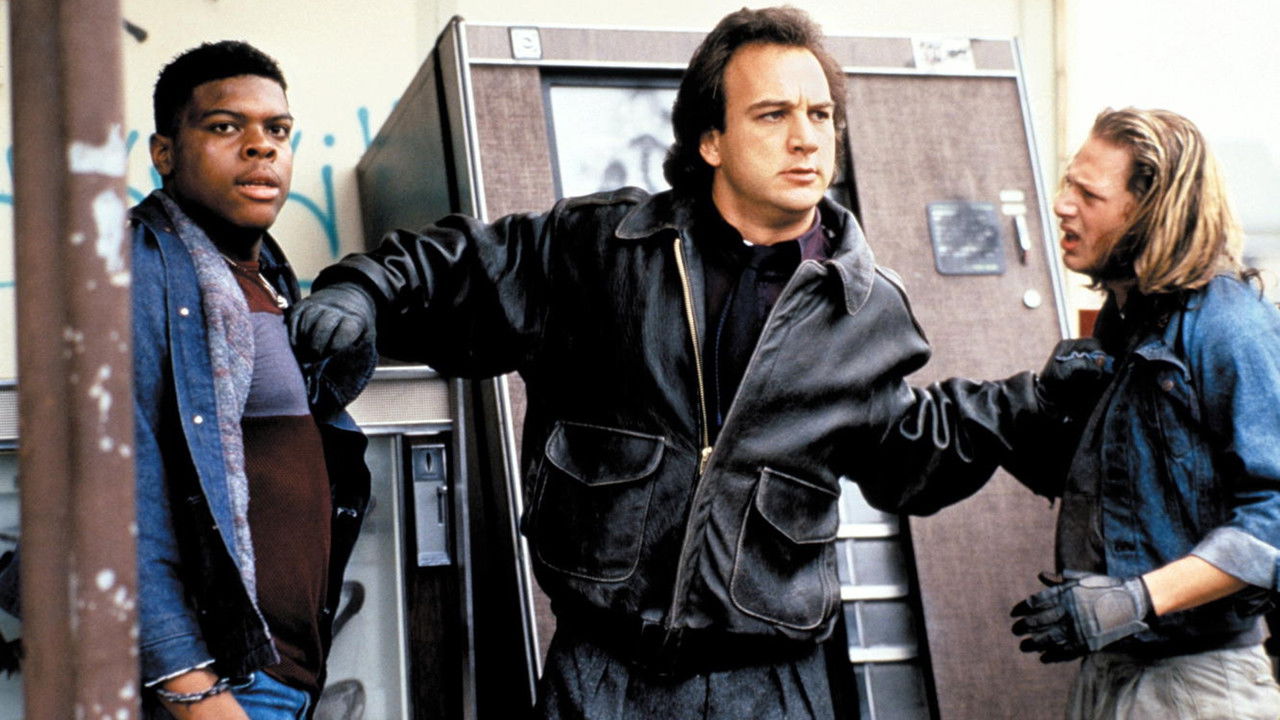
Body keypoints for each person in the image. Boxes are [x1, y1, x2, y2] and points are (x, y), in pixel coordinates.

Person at [290, 7, 1086, 719]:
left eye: (820, 115)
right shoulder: (602, 251)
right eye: (773, 115)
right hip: (601, 676)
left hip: (773, 687)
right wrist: (362, 291)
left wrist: (1033, 402)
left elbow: (903, 451)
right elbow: (461, 266)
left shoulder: (868, 309)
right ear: (711, 140)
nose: (806, 138)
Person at [1008, 108, 1280, 718]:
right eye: (1068, 184)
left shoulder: (1231, 326)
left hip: (1199, 684)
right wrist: (1049, 408)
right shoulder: (1125, 322)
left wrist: (1136, 599)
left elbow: (1274, 516)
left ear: (1150, 213)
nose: (1062, 205)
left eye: (1088, 194)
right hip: (1112, 670)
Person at [132, 41, 375, 719]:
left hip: (284, 674)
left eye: (278, 130)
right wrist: (195, 694)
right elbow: (114, 496)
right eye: (224, 126)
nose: (261, 146)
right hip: (219, 687)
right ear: (164, 152)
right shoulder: (140, 269)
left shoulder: (267, 277)